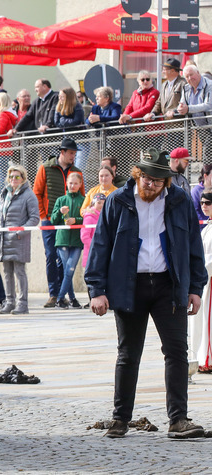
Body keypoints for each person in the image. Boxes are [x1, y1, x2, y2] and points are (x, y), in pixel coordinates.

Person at [85, 149, 207, 439]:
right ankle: (119, 420)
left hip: (169, 284)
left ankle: (178, 420)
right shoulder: (118, 201)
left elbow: (193, 247)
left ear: (166, 181)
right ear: (136, 175)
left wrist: (195, 289)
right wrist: (97, 290)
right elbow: (100, 245)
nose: (149, 185)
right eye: (145, 178)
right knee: (128, 354)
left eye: (156, 180)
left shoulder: (179, 200)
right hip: (130, 285)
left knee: (177, 352)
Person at [34, 138, 81, 307]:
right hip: (49, 220)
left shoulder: (76, 171)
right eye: (71, 153)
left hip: (68, 223)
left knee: (64, 259)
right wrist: (43, 216)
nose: (73, 156)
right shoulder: (45, 168)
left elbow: (81, 196)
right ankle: (54, 294)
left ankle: (63, 294)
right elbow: (37, 193)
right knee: (51, 256)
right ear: (62, 152)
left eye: (75, 154)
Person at [0, 164, 40, 315]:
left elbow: (34, 218)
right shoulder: (3, 194)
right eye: (11, 176)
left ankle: (23, 304)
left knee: (20, 272)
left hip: (19, 240)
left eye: (17, 176)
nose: (13, 179)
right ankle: (9, 302)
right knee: (7, 272)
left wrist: (20, 232)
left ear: (23, 178)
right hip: (4, 240)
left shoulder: (29, 195)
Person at [51, 172, 86, 309]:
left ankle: (61, 298)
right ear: (66, 183)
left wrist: (76, 220)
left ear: (80, 185)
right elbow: (53, 220)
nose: (72, 186)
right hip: (62, 240)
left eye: (76, 183)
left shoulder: (83, 200)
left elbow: (86, 218)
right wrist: (60, 211)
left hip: (77, 241)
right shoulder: (60, 200)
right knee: (68, 270)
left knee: (69, 269)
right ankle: (71, 299)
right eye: (70, 183)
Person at [192, 191, 212, 373]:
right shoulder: (206, 228)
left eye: (208, 202)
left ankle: (208, 359)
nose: (204, 205)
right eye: (202, 202)